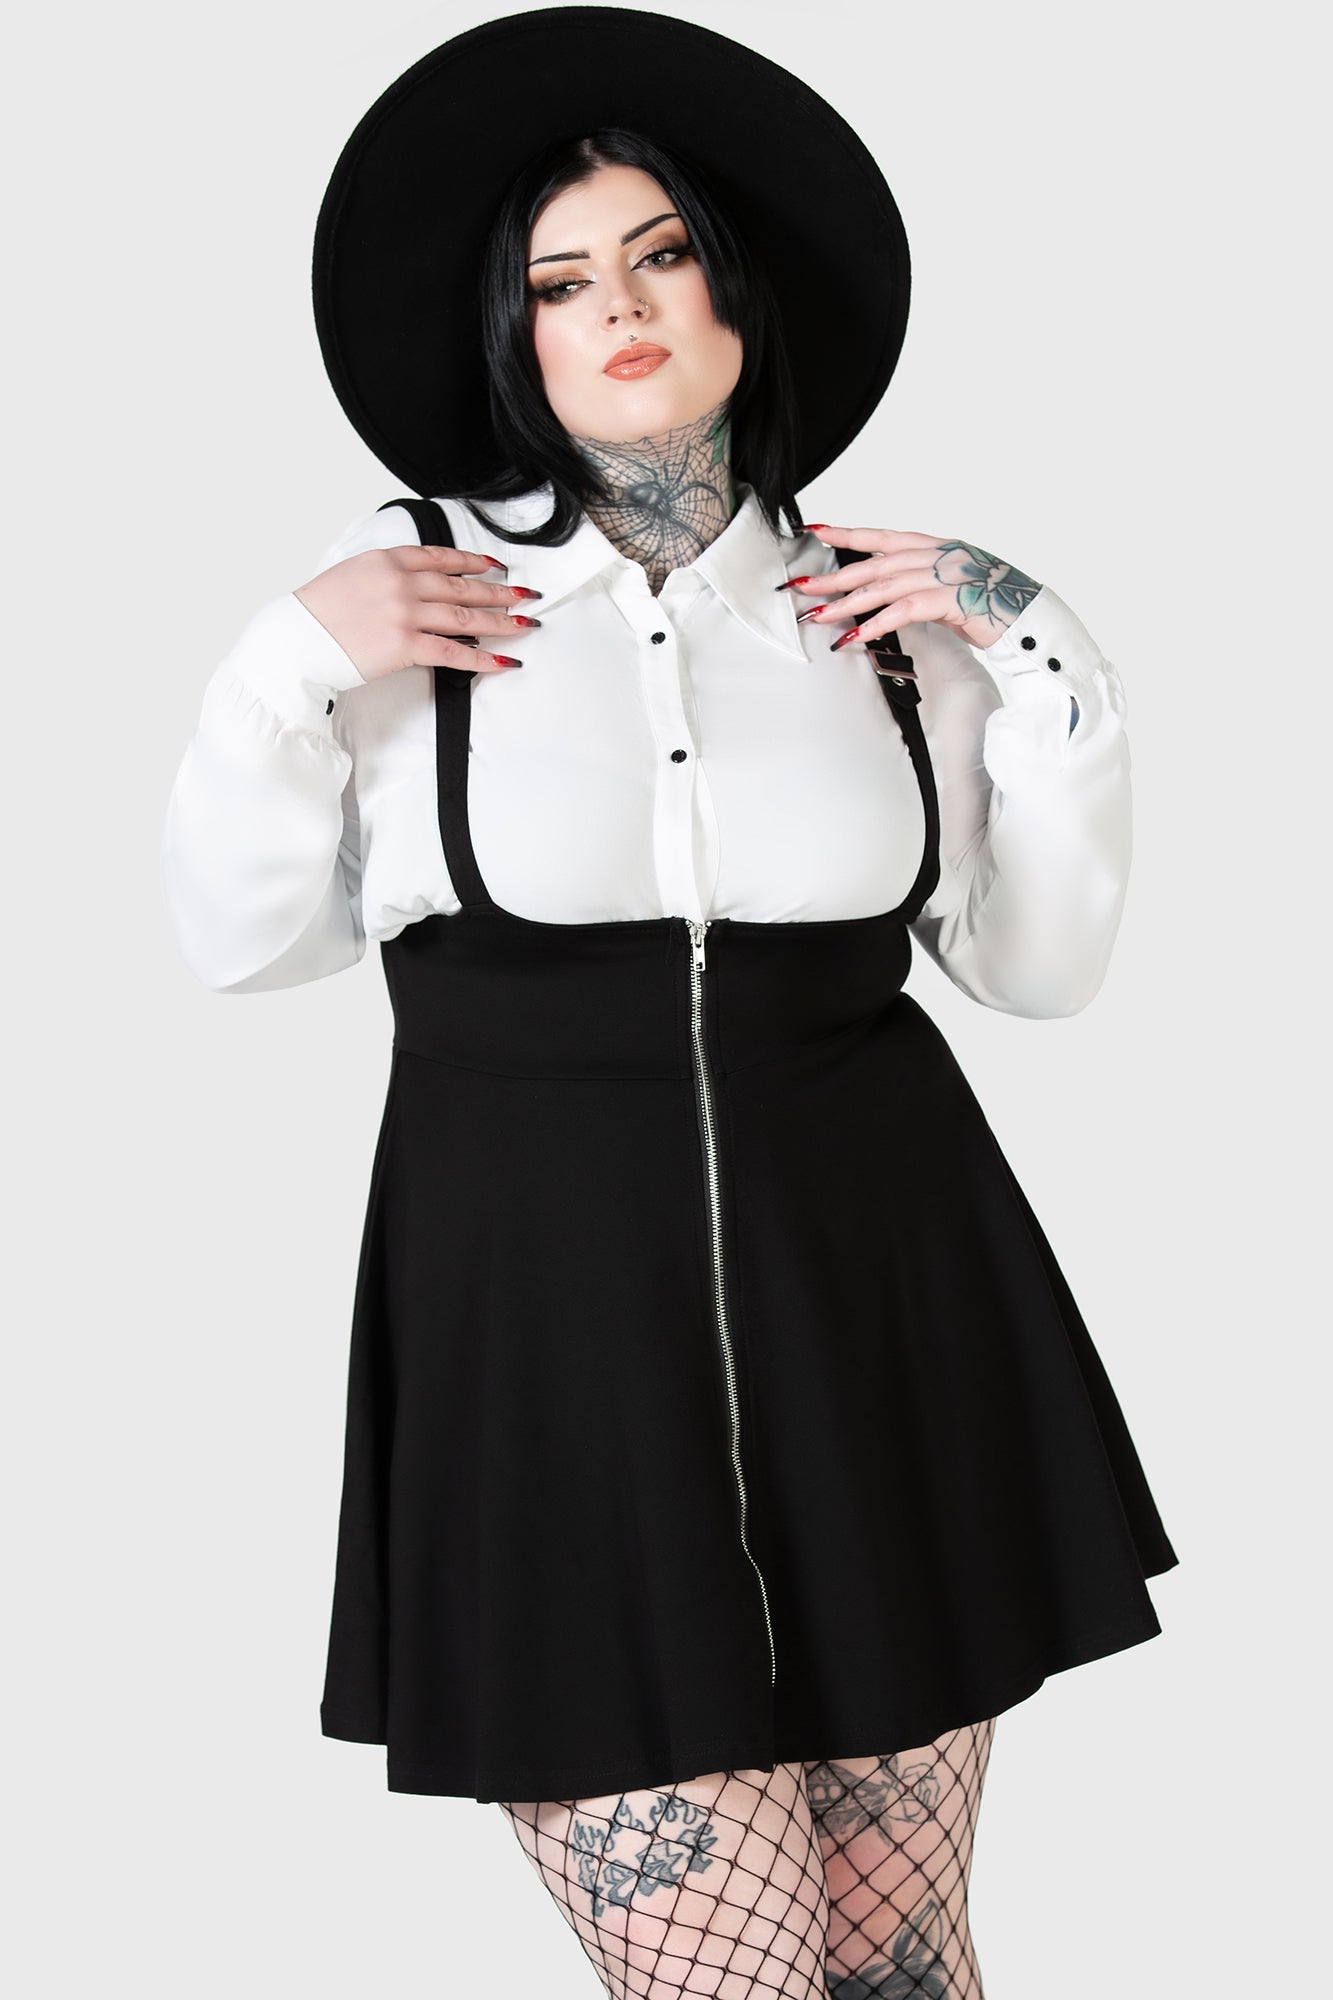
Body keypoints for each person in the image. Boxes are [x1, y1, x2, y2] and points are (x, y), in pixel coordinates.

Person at [161, 12, 1179, 1995]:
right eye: (560, 282)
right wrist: (279, 665)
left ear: (738, 285)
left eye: (659, 255)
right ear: (510, 336)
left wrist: (1044, 652)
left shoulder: (888, 624)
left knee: (901, 1972)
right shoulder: (407, 600)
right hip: (551, 1371)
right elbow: (244, 940)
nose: (617, 308)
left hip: (884, 1332)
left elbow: (1034, 971)